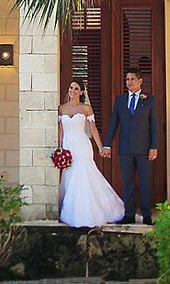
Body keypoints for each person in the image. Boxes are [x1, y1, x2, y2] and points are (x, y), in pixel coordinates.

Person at [57, 80, 125, 227]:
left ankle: (88, 211)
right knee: (70, 176)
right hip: (68, 146)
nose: (73, 91)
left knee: (83, 175)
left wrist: (101, 147)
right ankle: (74, 210)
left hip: (82, 146)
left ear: (81, 92)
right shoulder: (61, 109)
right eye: (71, 88)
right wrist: (59, 149)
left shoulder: (86, 108)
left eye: (76, 89)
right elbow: (61, 130)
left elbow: (93, 129)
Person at [101, 70, 159, 225]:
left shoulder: (149, 100)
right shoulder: (120, 100)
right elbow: (114, 123)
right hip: (125, 148)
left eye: (132, 79)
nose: (129, 82)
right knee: (127, 183)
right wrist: (107, 144)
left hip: (144, 149)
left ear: (140, 81)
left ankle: (147, 215)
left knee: (146, 182)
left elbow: (154, 125)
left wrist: (154, 147)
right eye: (127, 79)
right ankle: (129, 215)